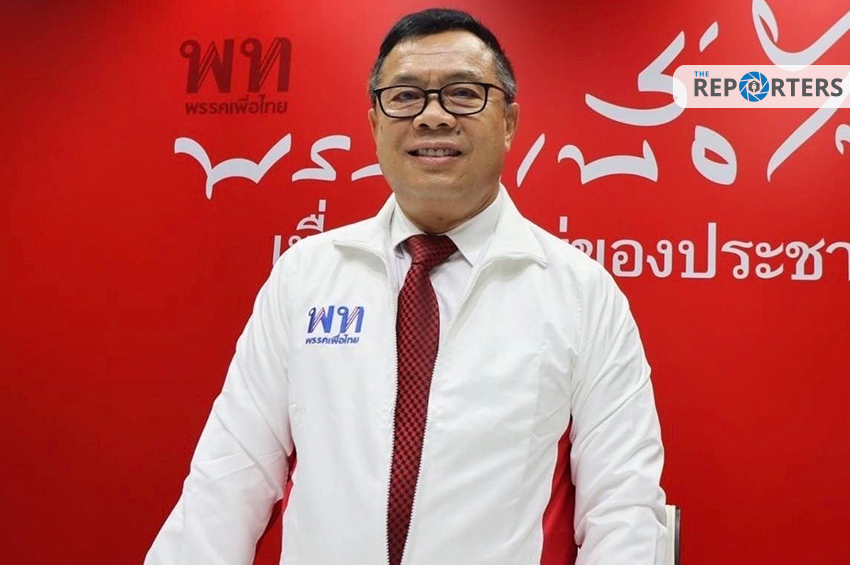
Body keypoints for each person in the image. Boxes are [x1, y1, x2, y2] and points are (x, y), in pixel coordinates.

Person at [145, 8, 667, 565]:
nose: (432, 117)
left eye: (463, 94)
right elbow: (228, 479)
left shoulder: (582, 294)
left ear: (509, 122)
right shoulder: (305, 277)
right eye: (405, 96)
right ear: (375, 124)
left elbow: (624, 508)